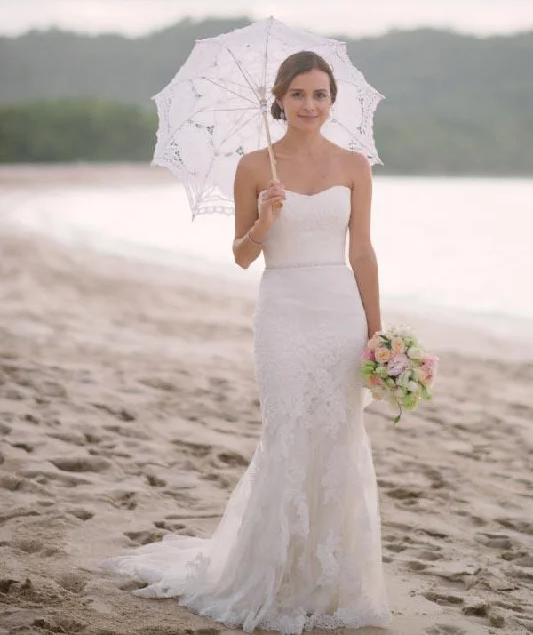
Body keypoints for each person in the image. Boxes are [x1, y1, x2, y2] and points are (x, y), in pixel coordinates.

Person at [101, 51, 392, 633]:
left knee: (338, 436)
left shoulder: (355, 165)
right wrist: (263, 217)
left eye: (321, 95)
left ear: (333, 101)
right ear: (278, 98)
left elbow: (360, 250)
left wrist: (377, 330)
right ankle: (271, 574)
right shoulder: (254, 166)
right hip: (283, 309)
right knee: (287, 432)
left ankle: (328, 580)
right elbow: (241, 256)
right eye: (300, 94)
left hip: (339, 311)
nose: (310, 105)